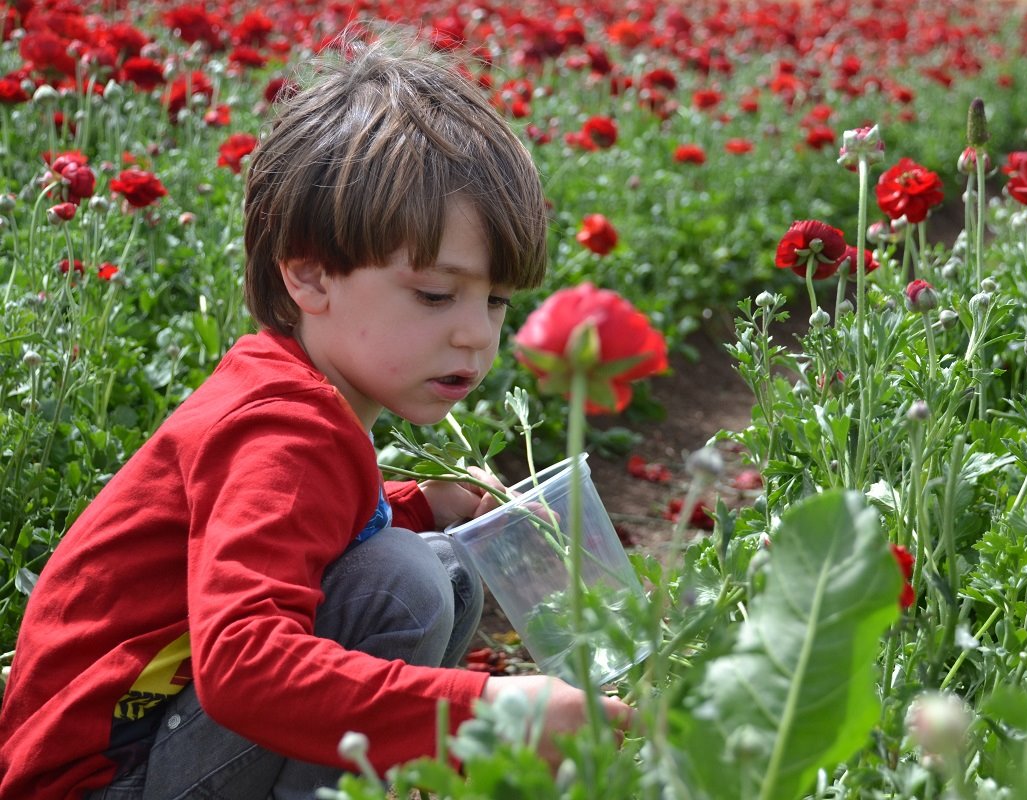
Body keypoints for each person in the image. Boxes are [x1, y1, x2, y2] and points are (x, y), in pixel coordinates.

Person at [0, 32, 632, 799]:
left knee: (437, 562)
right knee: (405, 584)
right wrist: (488, 713)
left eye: (495, 301)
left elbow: (303, 532)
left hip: (154, 746)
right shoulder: (282, 428)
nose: (476, 331)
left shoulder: (297, 397)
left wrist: (417, 504)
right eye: (436, 294)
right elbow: (241, 664)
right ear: (307, 273)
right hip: (101, 779)